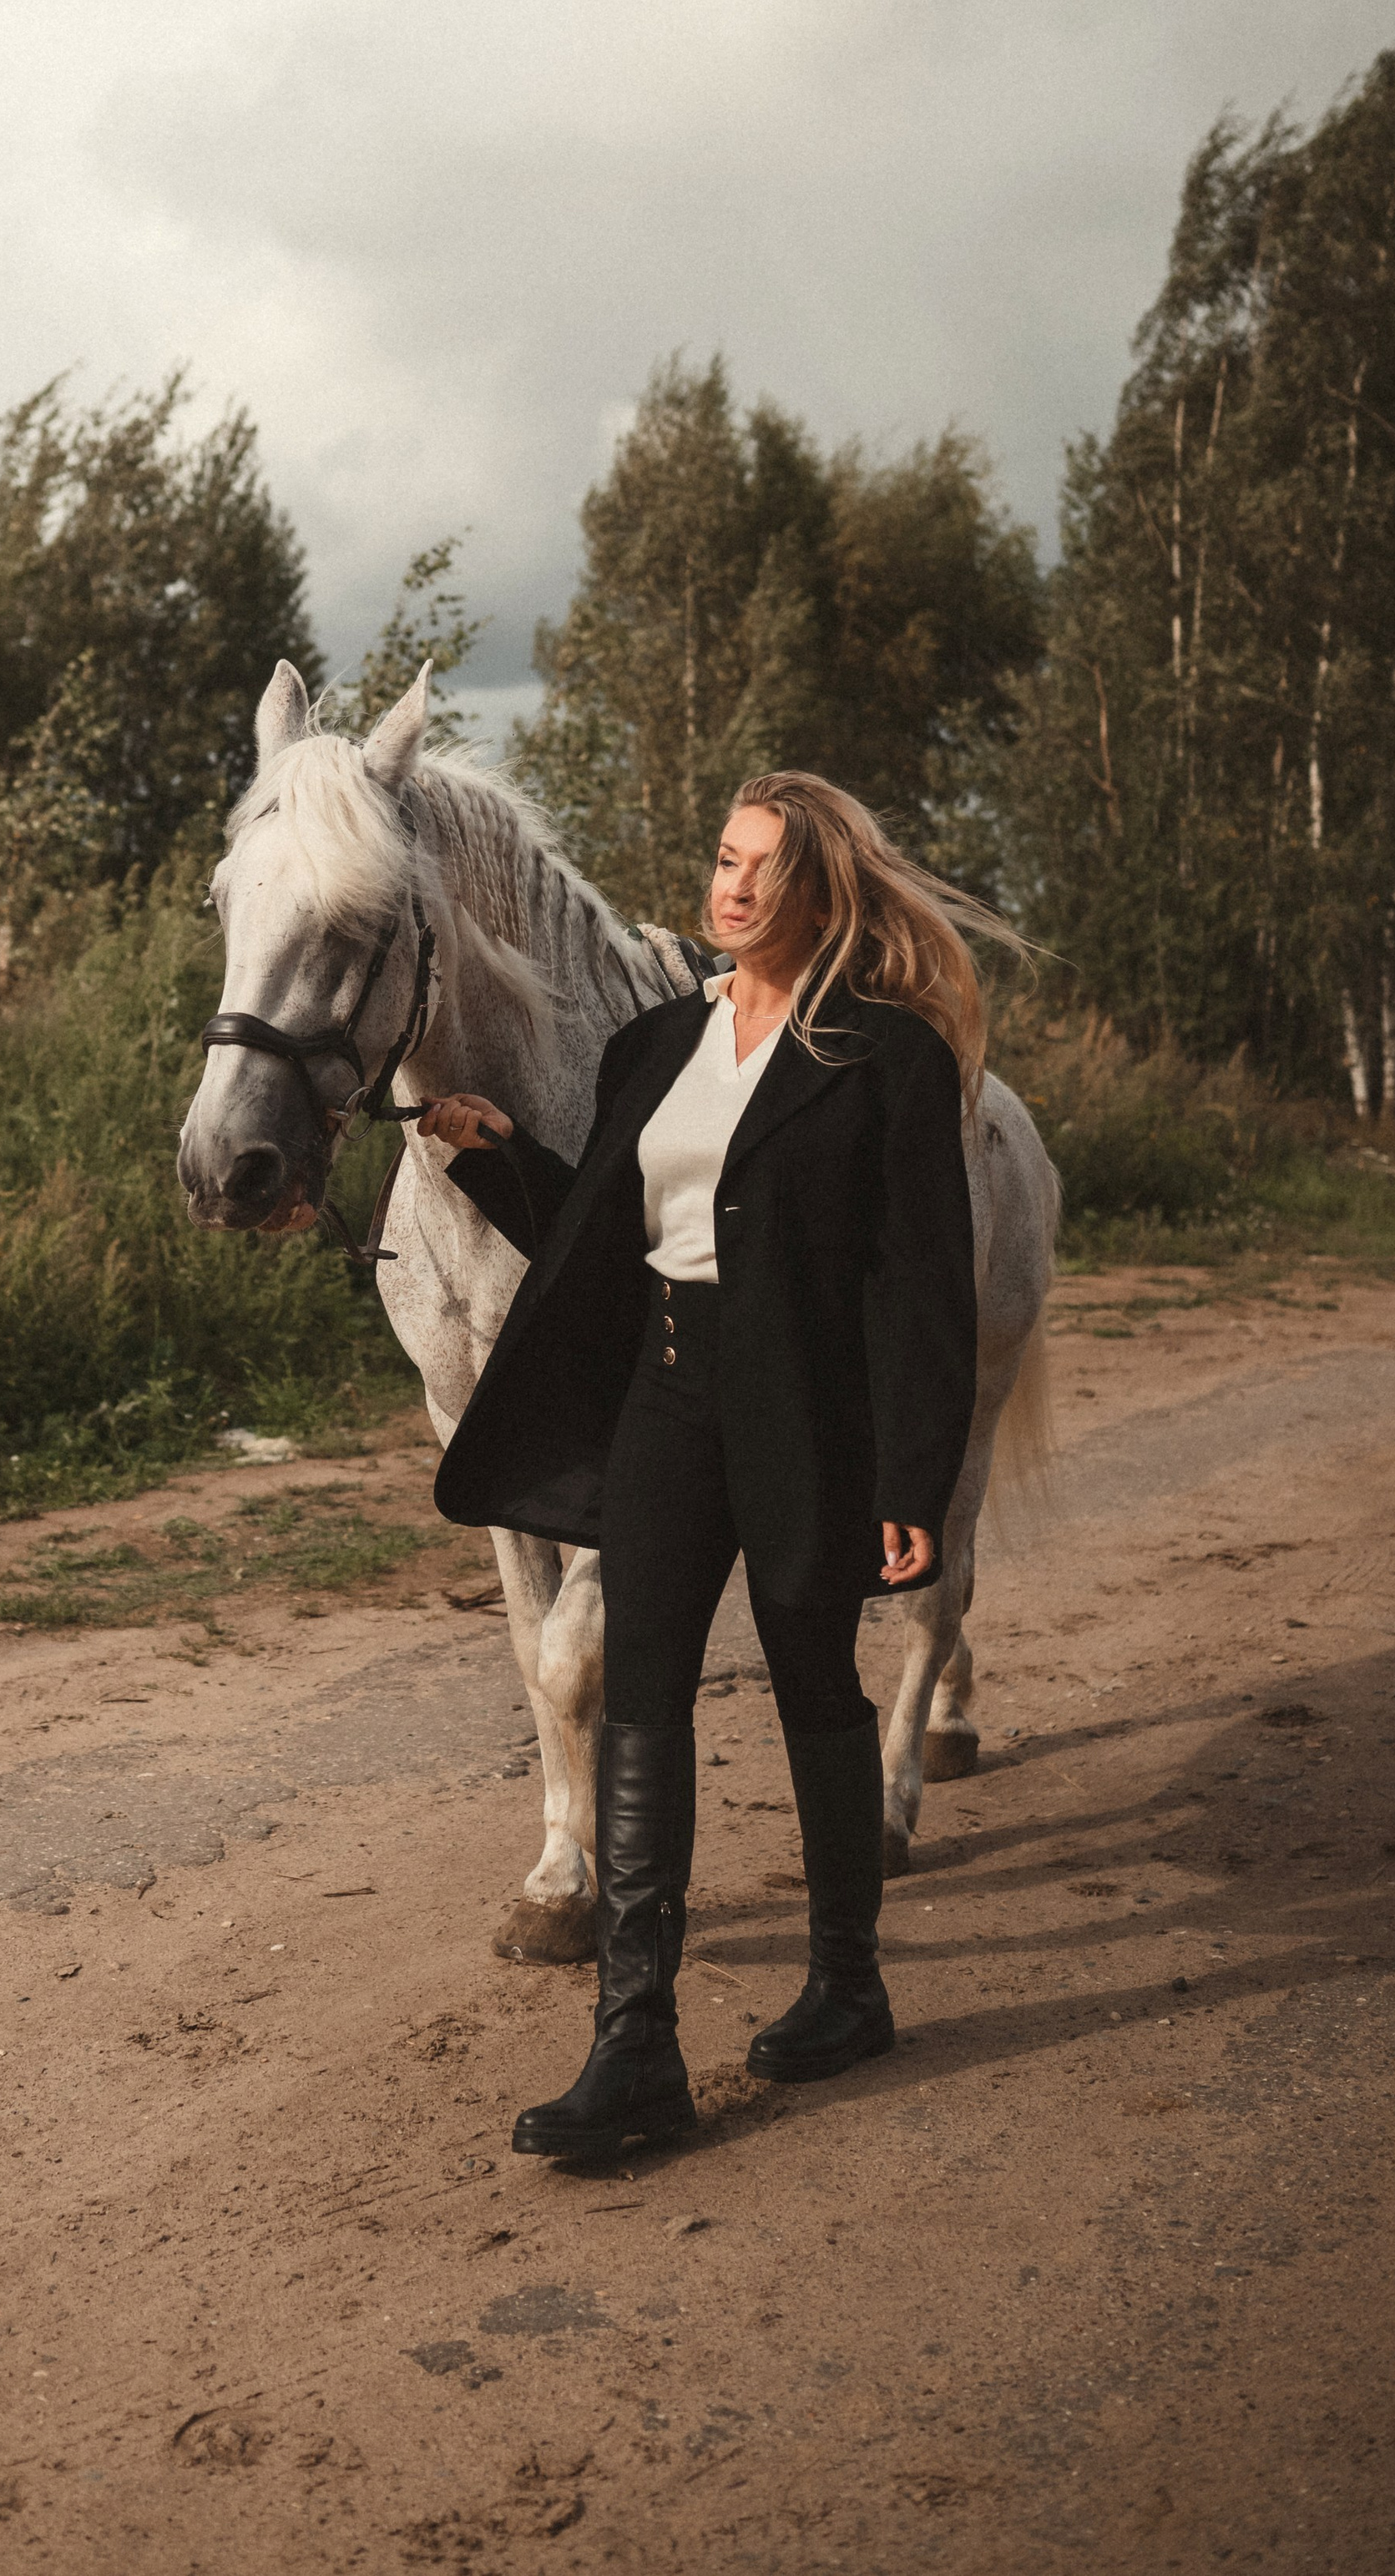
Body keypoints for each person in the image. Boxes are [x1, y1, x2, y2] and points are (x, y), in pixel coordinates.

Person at [417, 771, 1017, 2158]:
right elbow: (609, 1243)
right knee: (640, 1701)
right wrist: (501, 1158)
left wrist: (912, 1481)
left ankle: (848, 1985)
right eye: (725, 860)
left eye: (762, 869)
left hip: (810, 1413)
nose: (731, 888)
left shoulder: (889, 1058)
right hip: (670, 1401)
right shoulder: (657, 1042)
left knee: (814, 1682)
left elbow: (923, 1287)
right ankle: (634, 2043)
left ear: (822, 894)